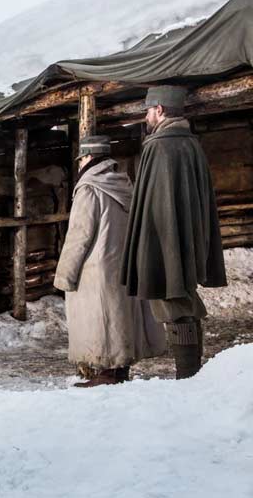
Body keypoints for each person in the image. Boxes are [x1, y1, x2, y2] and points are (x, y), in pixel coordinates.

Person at [121, 86, 227, 379]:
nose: (146, 116)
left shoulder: (159, 146)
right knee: (183, 298)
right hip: (187, 236)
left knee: (173, 302)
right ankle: (191, 371)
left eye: (148, 110)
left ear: (160, 110)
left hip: (165, 239)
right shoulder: (190, 144)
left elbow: (157, 205)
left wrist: (153, 245)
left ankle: (188, 373)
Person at [54, 136, 166, 387]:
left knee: (102, 319)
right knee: (119, 317)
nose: (80, 162)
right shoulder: (125, 185)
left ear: (90, 158)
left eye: (82, 157)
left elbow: (80, 234)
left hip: (97, 268)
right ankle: (119, 371)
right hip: (123, 264)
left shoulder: (89, 189)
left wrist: (65, 275)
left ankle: (106, 374)